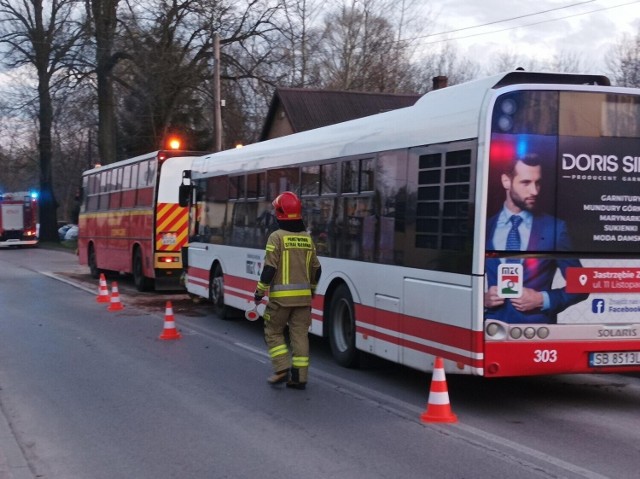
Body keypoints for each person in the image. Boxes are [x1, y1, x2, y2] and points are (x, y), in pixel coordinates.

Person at [485, 153, 588, 324]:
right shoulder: (486, 227)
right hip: (492, 329)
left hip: (538, 331)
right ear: (506, 181)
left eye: (537, 183)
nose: (534, 191)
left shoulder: (555, 228)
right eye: (525, 183)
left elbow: (582, 286)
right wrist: (483, 299)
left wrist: (542, 299)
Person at [254, 191, 322, 390]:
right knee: (300, 336)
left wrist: (259, 292)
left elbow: (269, 269)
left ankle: (282, 368)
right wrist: (311, 291)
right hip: (303, 300)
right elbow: (317, 269)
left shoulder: (276, 237)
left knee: (273, 332)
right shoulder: (307, 239)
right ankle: (300, 378)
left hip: (281, 300)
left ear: (280, 214)